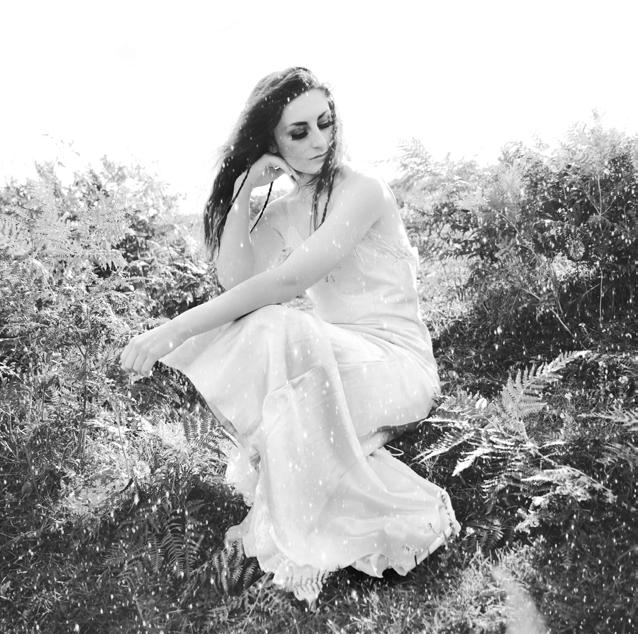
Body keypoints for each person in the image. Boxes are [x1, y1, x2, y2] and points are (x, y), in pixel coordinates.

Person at [119, 66, 460, 606]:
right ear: (272, 141)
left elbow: (286, 282)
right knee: (269, 328)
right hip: (343, 360)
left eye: (325, 123)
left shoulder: (363, 191)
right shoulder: (284, 209)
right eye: (298, 132)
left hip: (398, 367)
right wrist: (245, 191)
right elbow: (237, 279)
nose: (319, 141)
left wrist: (173, 331)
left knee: (280, 322)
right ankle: (307, 499)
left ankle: (300, 525)